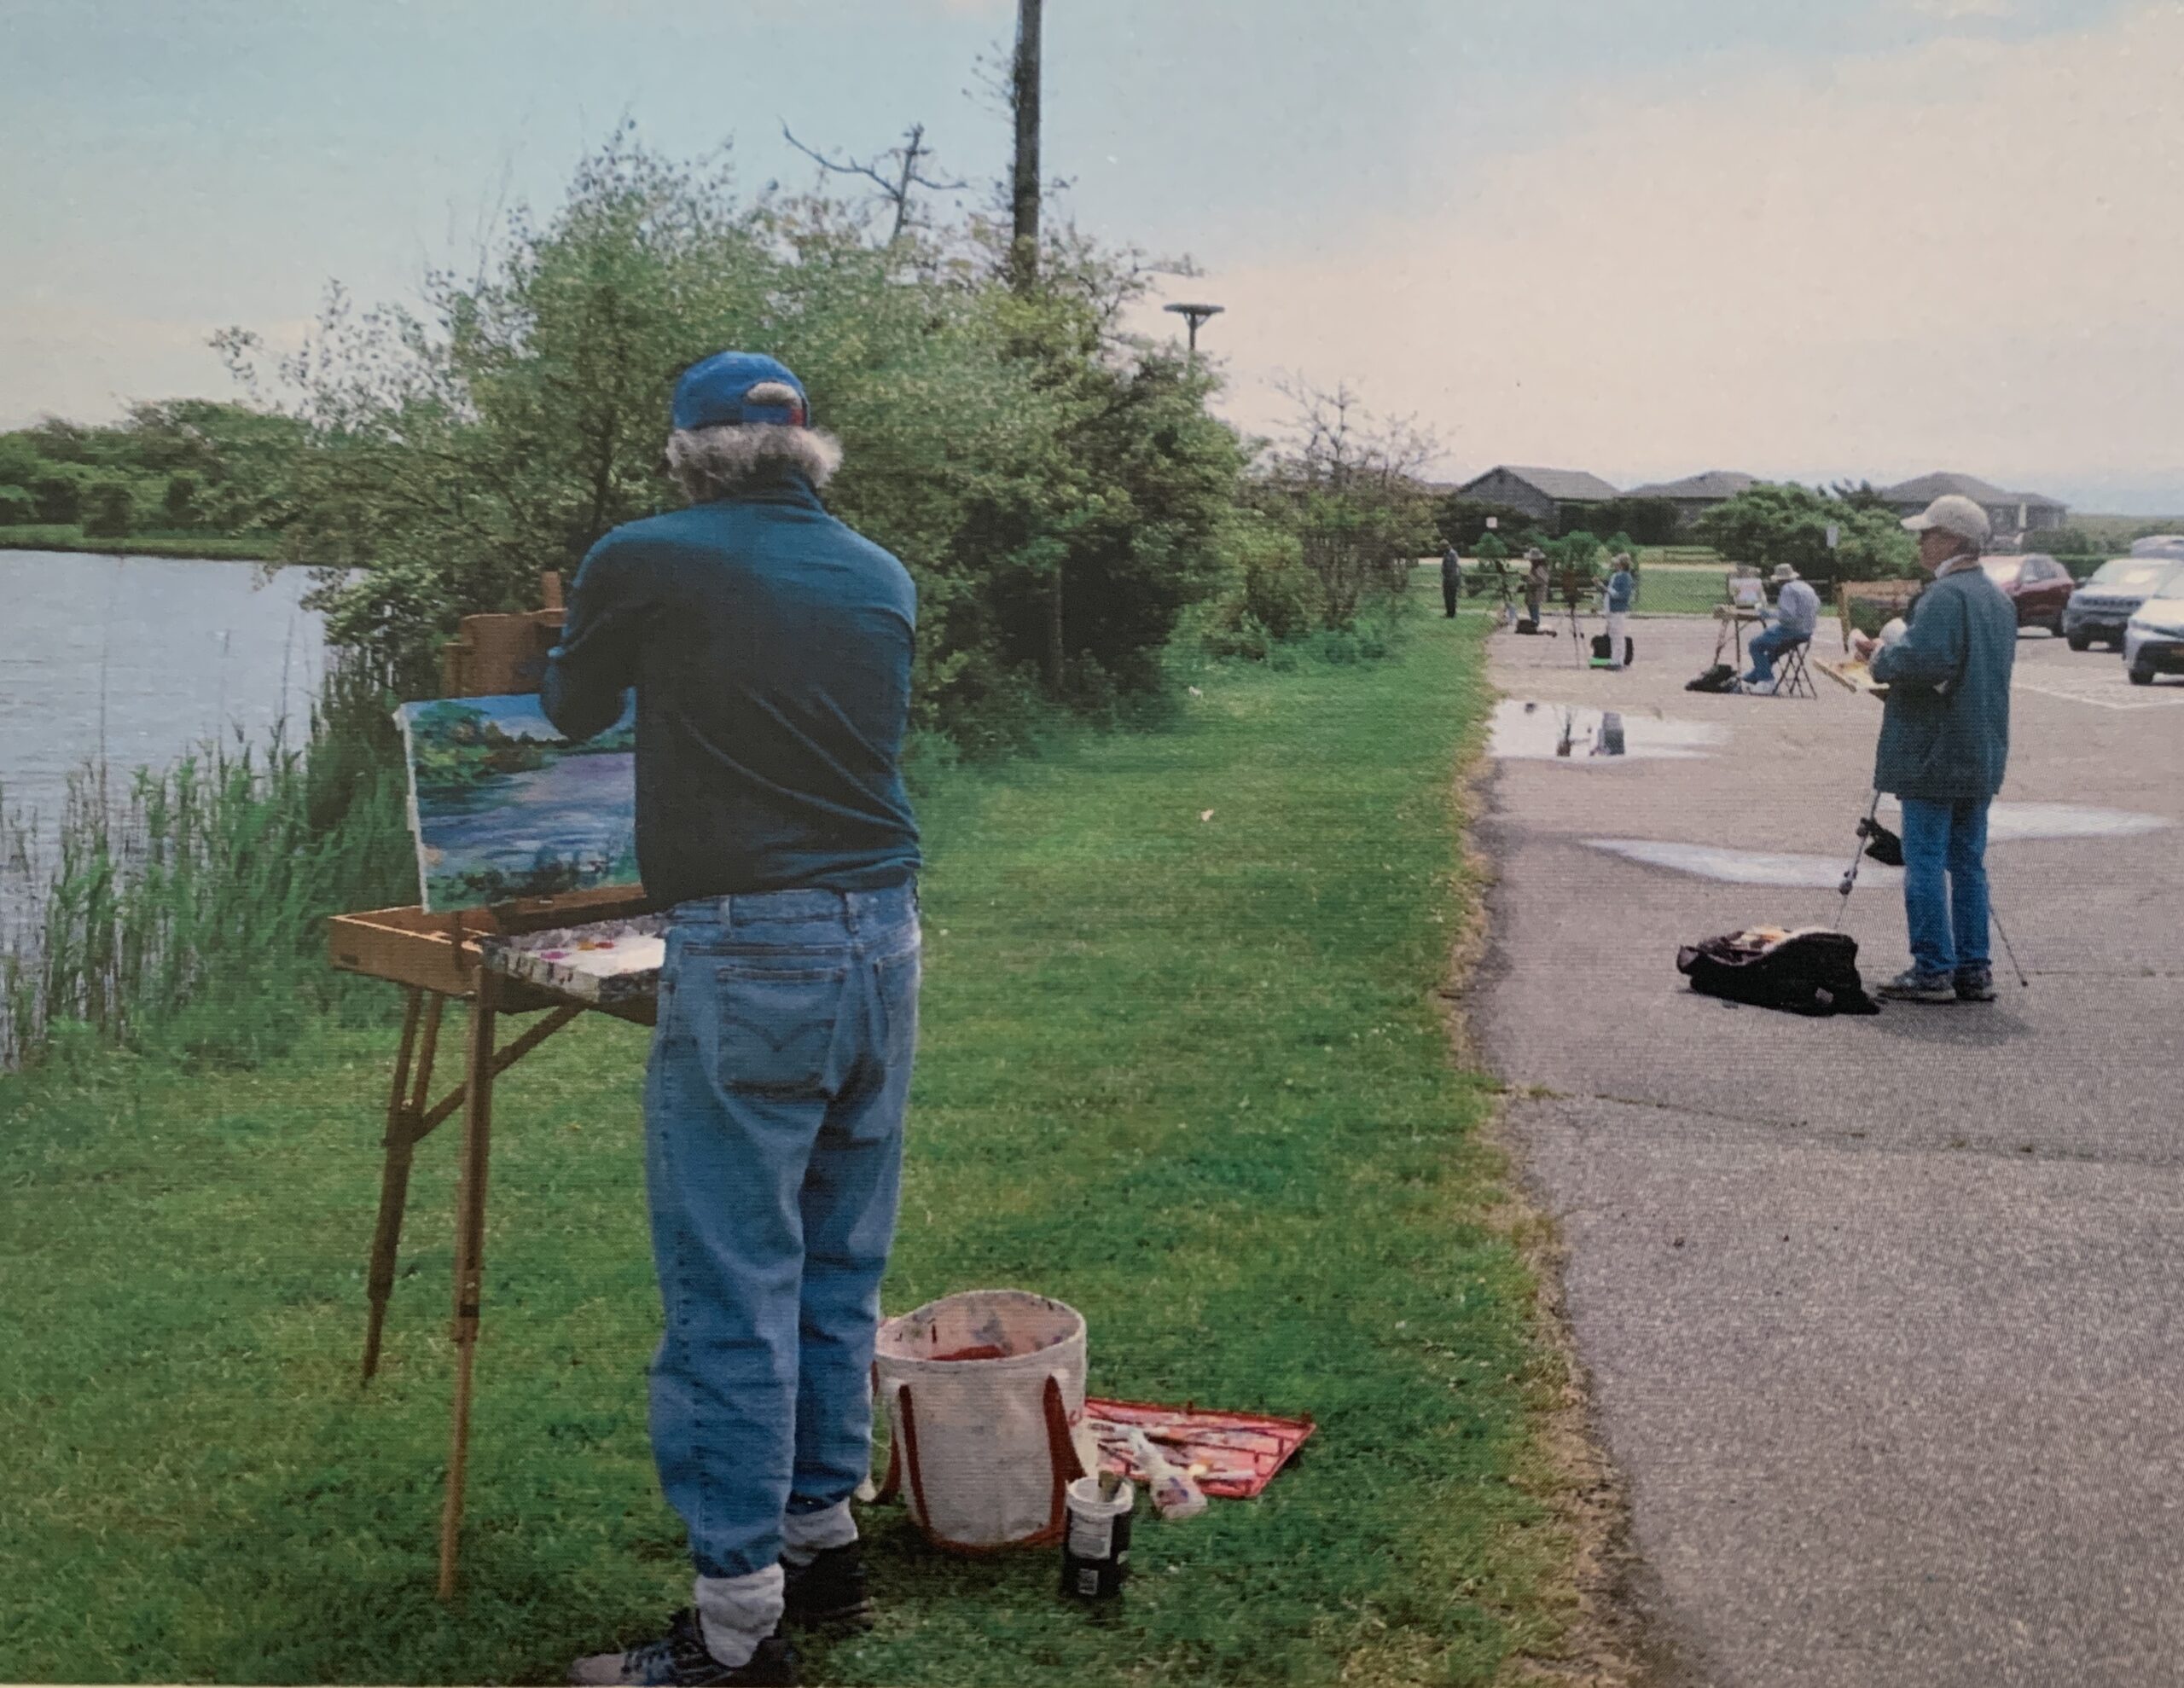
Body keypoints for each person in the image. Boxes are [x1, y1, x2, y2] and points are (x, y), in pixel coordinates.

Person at [545, 351, 923, 1686]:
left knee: (729, 1282)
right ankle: (823, 1546)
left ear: (688, 450)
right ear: (806, 449)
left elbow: (569, 706)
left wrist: (576, 626)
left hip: (752, 940)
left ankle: (732, 1632)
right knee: (835, 1259)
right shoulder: (881, 572)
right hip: (884, 932)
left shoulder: (648, 552)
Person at [1849, 492, 2015, 1003]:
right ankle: (1973, 968)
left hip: (1934, 750)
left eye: (1927, 534)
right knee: (1967, 861)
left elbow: (1927, 663)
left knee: (1923, 860)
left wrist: (1881, 655)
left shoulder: (1945, 596)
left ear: (1953, 540)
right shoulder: (1998, 599)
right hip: (1981, 750)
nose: (1920, 543)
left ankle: (1931, 968)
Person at [1741, 561, 1819, 692]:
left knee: (1755, 644)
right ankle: (1754, 676)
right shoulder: (1806, 587)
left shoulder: (1787, 589)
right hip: (1807, 631)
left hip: (1792, 630)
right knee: (1774, 648)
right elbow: (1816, 606)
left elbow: (1787, 615)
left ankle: (1766, 681)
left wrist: (1767, 613)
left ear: (1780, 580)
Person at [1602, 553, 1636, 669]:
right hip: (1611, 609)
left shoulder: (1626, 577)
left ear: (1621, 565)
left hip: (1618, 610)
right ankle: (1614, 659)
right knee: (1613, 634)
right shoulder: (1616, 576)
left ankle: (1618, 661)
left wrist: (1610, 591)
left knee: (1618, 635)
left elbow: (1623, 595)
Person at [1524, 548, 1550, 627]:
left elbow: (1543, 580)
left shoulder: (1541, 568)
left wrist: (1532, 581)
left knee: (1535, 606)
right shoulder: (1534, 568)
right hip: (1532, 589)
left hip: (1538, 590)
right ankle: (1533, 621)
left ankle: (1535, 622)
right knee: (1531, 605)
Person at [1440, 541, 1463, 618]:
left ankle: (1452, 613)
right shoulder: (1445, 554)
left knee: (1452, 596)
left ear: (1447, 546)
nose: (1443, 549)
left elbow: (1454, 566)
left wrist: (1452, 577)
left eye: (1443, 547)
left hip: (1452, 578)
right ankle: (1448, 612)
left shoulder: (1453, 554)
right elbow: (1444, 565)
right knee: (1446, 596)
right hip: (1446, 578)